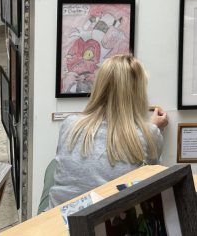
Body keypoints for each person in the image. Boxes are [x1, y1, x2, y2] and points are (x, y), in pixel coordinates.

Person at [48, 54, 169, 208]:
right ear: (137, 93)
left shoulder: (70, 124)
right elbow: (151, 177)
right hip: (106, 224)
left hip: (56, 221)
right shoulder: (149, 134)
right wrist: (152, 128)